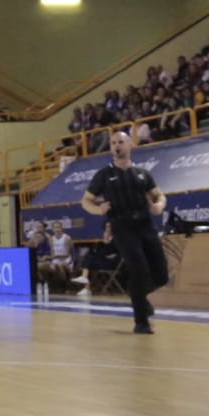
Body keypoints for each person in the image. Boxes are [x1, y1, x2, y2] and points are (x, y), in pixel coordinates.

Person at [79, 128, 169, 334]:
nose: (116, 146)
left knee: (162, 275)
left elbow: (159, 196)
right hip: (122, 227)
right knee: (139, 270)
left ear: (130, 145)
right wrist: (97, 209)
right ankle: (141, 321)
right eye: (113, 143)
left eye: (120, 142)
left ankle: (136, 294)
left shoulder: (142, 174)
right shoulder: (104, 175)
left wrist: (159, 206)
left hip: (145, 226)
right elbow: (86, 200)